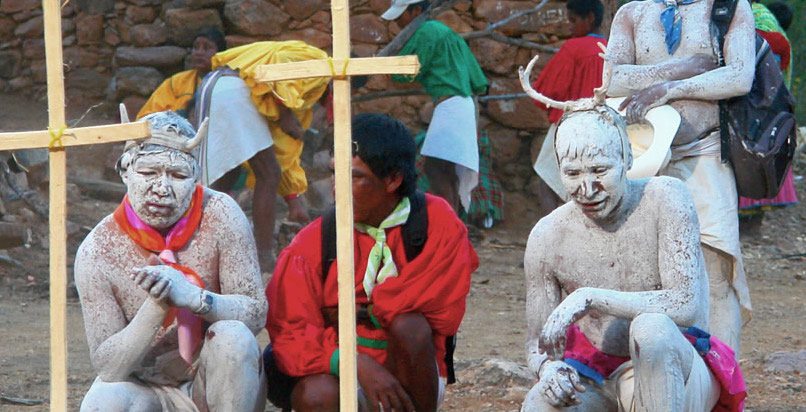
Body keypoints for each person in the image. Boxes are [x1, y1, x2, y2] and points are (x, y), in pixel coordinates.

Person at [518, 89, 745, 410]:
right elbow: (537, 342)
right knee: (538, 404)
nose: (587, 189)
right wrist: (547, 368)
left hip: (676, 370)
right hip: (594, 376)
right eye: (572, 174)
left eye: (600, 171)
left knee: (651, 329)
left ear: (627, 158)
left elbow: (685, 304)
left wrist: (589, 297)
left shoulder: (666, 198)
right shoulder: (547, 235)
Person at [265, 113, 478, 412]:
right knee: (315, 395)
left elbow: (440, 312)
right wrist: (354, 364)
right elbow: (289, 331)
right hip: (339, 371)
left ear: (392, 179)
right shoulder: (315, 241)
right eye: (334, 172)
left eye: (354, 176)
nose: (337, 187)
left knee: (410, 326)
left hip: (411, 376)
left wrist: (353, 310)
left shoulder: (436, 224)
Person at [75, 111, 268, 411]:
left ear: (195, 179)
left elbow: (255, 313)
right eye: (149, 173)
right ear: (125, 171)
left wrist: (196, 298)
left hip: (215, 380)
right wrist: (157, 305)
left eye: (177, 176)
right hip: (144, 388)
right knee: (102, 402)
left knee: (233, 338)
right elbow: (109, 367)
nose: (162, 188)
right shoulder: (99, 249)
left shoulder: (222, 215)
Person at [605, 0, 755, 355]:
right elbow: (613, 79)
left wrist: (668, 89)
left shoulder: (729, 7)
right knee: (646, 269)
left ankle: (724, 386)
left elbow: (738, 75)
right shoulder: (632, 12)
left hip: (705, 154)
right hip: (645, 159)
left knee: (716, 269)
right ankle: (664, 374)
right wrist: (684, 68)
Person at [137, 28, 282, 273]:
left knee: (225, 181)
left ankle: (206, 248)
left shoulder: (228, 85)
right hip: (176, 150)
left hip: (217, 156)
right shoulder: (177, 83)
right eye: (196, 47)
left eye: (207, 48)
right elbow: (146, 119)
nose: (199, 53)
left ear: (220, 54)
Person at [382, 0, 489, 215]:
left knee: (437, 169)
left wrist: (379, 64)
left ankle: (448, 226)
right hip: (463, 104)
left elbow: (403, 71)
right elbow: (478, 80)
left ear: (417, 10)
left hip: (451, 106)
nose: (398, 24)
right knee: (446, 171)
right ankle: (454, 225)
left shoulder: (426, 30)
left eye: (402, 16)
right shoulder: (445, 32)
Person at [211, 40, 333, 225]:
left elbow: (280, 151)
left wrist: (293, 199)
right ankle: (264, 253)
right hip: (235, 87)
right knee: (268, 175)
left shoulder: (299, 95)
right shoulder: (320, 66)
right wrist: (284, 111)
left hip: (220, 87)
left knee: (232, 169)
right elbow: (279, 60)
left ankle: (201, 229)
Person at [531, 0, 608, 217]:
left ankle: (551, 236)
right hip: (602, 129)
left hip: (570, 123)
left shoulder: (574, 48)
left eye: (573, 20)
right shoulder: (610, 49)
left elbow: (545, 91)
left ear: (590, 18)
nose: (569, 27)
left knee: (547, 178)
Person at [737, 0, 798, 231]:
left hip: (757, 105)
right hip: (771, 105)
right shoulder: (766, 23)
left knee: (752, 155)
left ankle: (748, 224)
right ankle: (752, 224)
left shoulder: (755, 22)